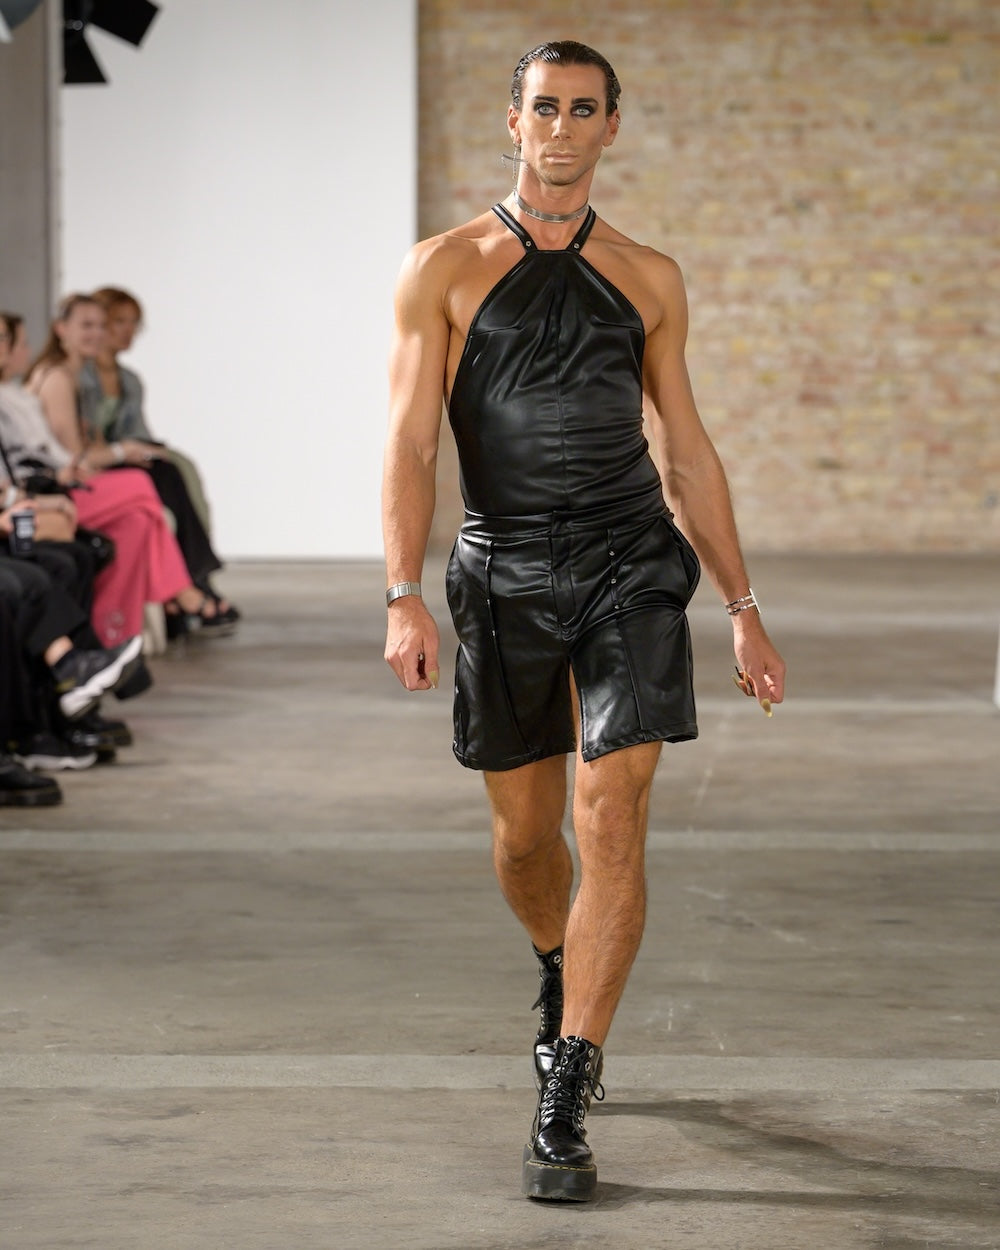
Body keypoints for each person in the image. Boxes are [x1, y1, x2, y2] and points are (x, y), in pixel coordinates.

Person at [382, 41, 786, 1202]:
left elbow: (685, 447)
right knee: (525, 838)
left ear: (612, 126)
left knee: (611, 813)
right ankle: (559, 961)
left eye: (583, 109)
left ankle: (567, 1078)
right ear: (512, 122)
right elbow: (410, 440)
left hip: (629, 564)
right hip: (501, 570)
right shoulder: (442, 268)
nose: (561, 127)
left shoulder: (647, 276)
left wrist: (743, 607)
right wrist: (401, 590)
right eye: (543, 107)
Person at [11, 298, 231, 645]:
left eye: (102, 326)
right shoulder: (57, 378)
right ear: (61, 329)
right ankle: (183, 592)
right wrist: (119, 452)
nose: (97, 334)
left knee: (139, 520)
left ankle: (116, 633)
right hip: (56, 490)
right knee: (143, 483)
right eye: (87, 325)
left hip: (66, 481)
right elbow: (71, 457)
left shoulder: (79, 378)